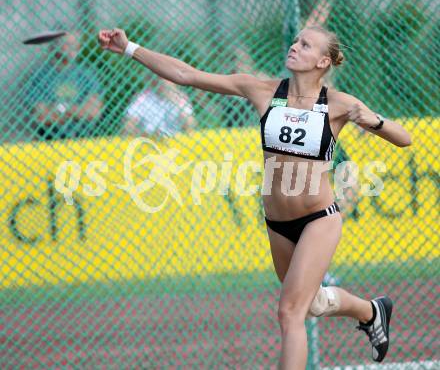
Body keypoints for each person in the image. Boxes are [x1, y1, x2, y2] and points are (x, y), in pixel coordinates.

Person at [98, 26, 411, 369]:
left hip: (318, 219)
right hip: (278, 223)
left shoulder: (337, 103)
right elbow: (186, 75)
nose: (294, 46)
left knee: (289, 312)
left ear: (323, 61)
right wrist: (130, 49)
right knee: (312, 304)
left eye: (305, 45)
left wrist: (375, 120)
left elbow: (404, 138)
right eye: (295, 41)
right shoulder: (262, 90)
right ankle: (372, 311)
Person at [26, 32, 103, 140]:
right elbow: (42, 116)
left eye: (76, 45)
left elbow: (94, 111)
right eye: (68, 44)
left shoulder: (86, 74)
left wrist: (60, 110)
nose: (73, 49)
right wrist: (78, 112)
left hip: (84, 138)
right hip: (49, 139)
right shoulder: (40, 75)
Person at [123, 77, 196, 138]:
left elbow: (190, 125)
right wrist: (146, 135)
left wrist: (173, 100)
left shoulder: (179, 97)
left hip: (175, 141)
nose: (162, 81)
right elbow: (128, 125)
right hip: (148, 142)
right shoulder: (142, 97)